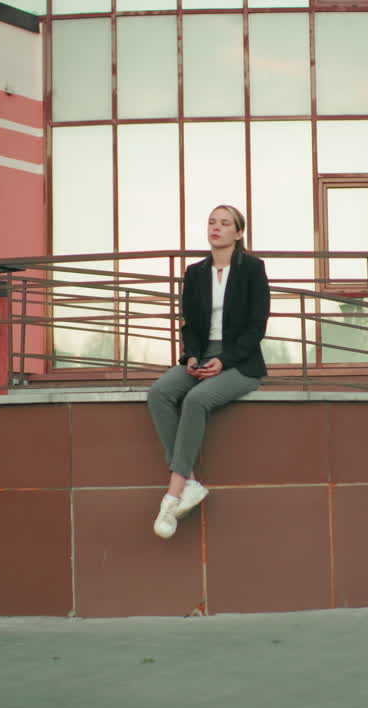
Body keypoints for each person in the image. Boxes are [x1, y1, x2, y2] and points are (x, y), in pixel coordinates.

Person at [146, 205, 270, 539]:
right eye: (212, 222)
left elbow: (256, 327)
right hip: (202, 358)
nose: (216, 227)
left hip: (240, 364)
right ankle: (190, 482)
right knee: (159, 393)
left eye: (225, 223)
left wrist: (224, 361)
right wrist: (191, 356)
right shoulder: (196, 272)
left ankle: (173, 494)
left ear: (238, 233)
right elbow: (190, 324)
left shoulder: (253, 269)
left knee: (196, 400)